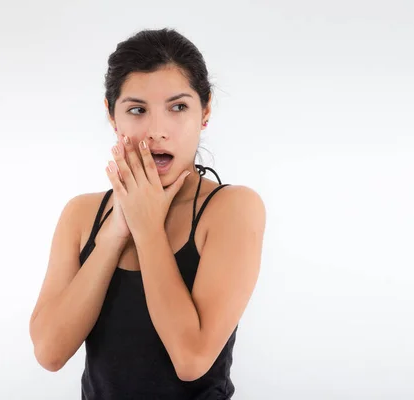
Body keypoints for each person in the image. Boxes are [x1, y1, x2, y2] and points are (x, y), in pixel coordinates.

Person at [28, 27, 266, 400]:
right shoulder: (81, 214)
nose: (157, 131)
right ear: (112, 115)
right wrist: (114, 232)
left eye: (178, 107)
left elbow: (191, 359)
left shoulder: (232, 209)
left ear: (205, 111)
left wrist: (148, 228)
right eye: (137, 110)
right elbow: (49, 353)